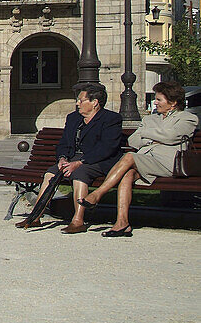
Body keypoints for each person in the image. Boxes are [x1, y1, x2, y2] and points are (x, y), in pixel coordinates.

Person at [80, 81, 198, 237]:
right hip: (147, 160)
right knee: (127, 174)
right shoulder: (151, 119)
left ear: (174, 103)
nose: (155, 102)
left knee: (129, 156)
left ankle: (98, 194)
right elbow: (134, 140)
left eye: (159, 100)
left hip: (168, 163)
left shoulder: (187, 118)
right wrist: (156, 136)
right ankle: (122, 223)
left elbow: (171, 137)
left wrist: (147, 133)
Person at [16, 84, 122, 232]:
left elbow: (106, 148)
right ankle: (35, 217)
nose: (77, 103)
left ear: (95, 102)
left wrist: (79, 163)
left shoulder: (111, 119)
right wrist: (62, 159)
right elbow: (64, 143)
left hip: (98, 161)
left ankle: (78, 221)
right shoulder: (73, 118)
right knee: (50, 174)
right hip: (73, 159)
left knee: (79, 173)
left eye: (81, 100)